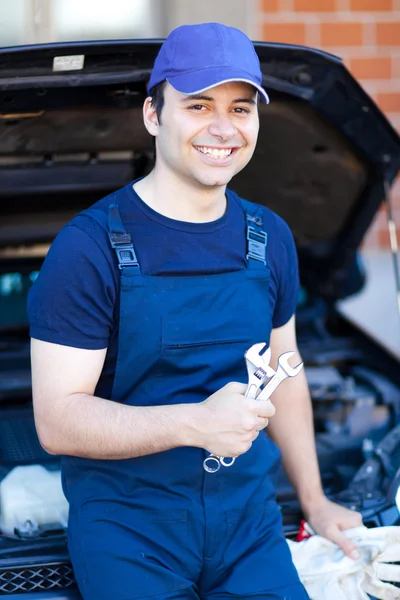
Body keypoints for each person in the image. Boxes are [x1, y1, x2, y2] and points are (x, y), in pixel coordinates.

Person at [28, 22, 363, 600]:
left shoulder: (269, 236)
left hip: (250, 526)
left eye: (240, 108)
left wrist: (315, 500)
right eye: (198, 104)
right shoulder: (90, 248)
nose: (222, 128)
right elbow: (57, 422)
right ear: (153, 115)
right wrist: (192, 423)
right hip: (129, 531)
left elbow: (285, 369)